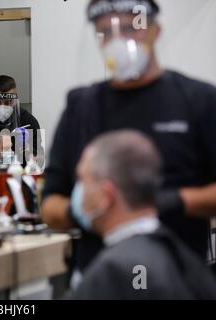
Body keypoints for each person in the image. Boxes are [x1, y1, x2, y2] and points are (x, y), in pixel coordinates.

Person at [42, 0, 216, 284]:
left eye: (129, 28)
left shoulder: (199, 101)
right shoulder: (81, 107)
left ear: (155, 31)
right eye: (105, 33)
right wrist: (83, 211)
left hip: (176, 279)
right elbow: (49, 205)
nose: (117, 41)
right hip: (100, 278)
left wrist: (177, 201)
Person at [69, 130, 216, 299]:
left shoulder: (116, 270)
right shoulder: (183, 258)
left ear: (106, 195)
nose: (78, 191)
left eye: (83, 180)